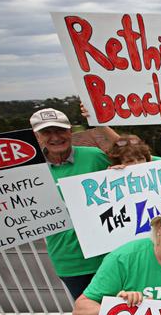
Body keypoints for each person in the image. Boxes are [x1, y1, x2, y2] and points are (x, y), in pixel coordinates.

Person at [30, 108, 111, 299]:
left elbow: (140, 162)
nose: (55, 137)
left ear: (70, 131)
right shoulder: (29, 172)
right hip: (70, 262)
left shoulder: (95, 156)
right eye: (47, 132)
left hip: (108, 256)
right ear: (37, 136)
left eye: (60, 130)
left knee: (126, 312)